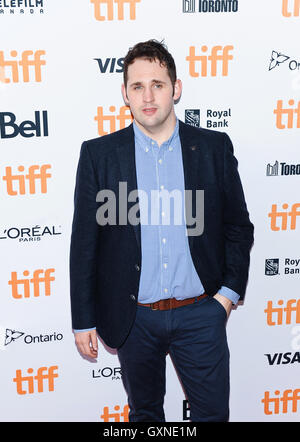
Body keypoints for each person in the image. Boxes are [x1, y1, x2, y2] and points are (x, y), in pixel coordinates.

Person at [69, 39, 254, 422]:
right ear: (125, 94)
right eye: (137, 86)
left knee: (213, 417)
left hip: (201, 314)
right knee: (146, 415)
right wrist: (84, 318)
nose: (148, 95)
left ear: (176, 88)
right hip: (133, 318)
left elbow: (238, 226)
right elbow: (85, 243)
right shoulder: (99, 155)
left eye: (158, 84)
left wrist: (226, 297)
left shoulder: (213, 147)